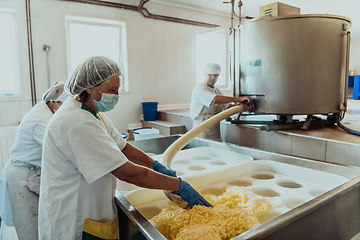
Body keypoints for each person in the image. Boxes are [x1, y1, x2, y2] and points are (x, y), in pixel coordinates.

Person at [38, 56, 212, 240]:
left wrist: (155, 165)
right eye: (111, 90)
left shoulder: (94, 114)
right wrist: (178, 185)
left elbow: (123, 147)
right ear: (90, 88)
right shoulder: (76, 121)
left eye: (118, 89)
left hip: (90, 209)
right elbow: (129, 174)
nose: (116, 96)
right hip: (73, 218)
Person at [0, 83, 68, 240]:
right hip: (22, 176)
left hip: (31, 173)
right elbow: (60, 150)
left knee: (41, 221)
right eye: (63, 105)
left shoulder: (45, 110)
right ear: (53, 102)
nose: (65, 110)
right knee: (30, 226)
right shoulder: (43, 119)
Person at [190, 63, 251, 141]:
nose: (212, 78)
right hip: (201, 133)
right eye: (210, 75)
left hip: (215, 133)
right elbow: (215, 99)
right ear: (204, 74)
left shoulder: (217, 90)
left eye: (215, 75)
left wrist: (240, 106)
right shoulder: (199, 88)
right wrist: (239, 99)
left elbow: (227, 106)